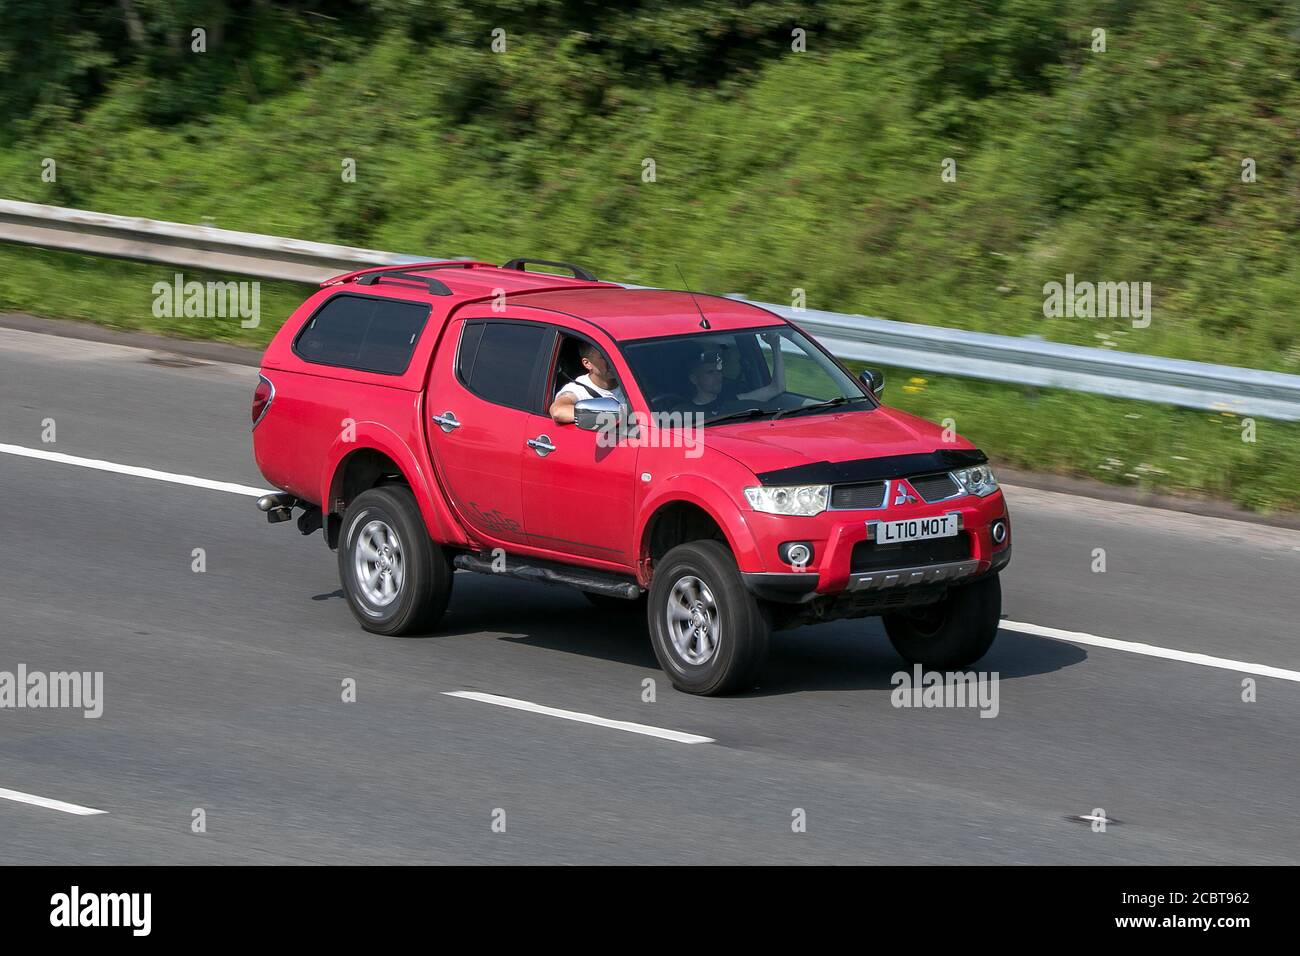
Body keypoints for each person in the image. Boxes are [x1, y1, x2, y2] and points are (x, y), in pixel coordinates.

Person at [681, 332, 786, 416]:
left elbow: (777, 388)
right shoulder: (685, 412)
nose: (717, 376)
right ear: (694, 379)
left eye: (719, 371)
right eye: (710, 372)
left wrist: (775, 346)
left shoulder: (730, 399)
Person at [550, 341, 627, 424]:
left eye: (615, 355)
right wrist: (605, 415)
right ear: (587, 363)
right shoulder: (577, 390)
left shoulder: (634, 382)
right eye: (605, 357)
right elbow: (558, 411)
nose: (612, 360)